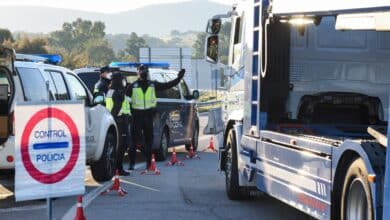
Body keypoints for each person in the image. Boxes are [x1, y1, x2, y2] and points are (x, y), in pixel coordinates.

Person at [126, 64, 185, 170]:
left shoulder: (147, 85)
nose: (142, 73)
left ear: (138, 73)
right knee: (137, 142)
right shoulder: (135, 86)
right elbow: (123, 98)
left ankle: (145, 163)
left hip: (146, 116)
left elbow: (168, 85)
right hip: (139, 116)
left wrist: (178, 78)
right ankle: (136, 164)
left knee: (144, 141)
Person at [106, 72, 131, 176]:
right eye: (123, 79)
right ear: (119, 81)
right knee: (122, 146)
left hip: (113, 122)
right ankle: (119, 169)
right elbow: (116, 109)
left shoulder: (110, 91)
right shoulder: (117, 93)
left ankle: (116, 168)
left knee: (118, 146)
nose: (124, 81)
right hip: (120, 122)